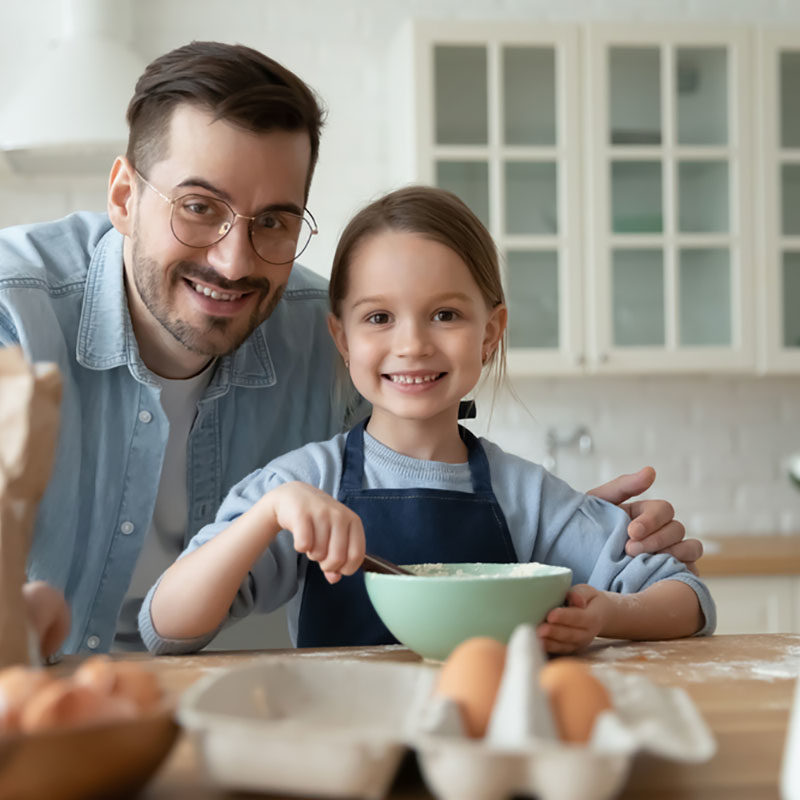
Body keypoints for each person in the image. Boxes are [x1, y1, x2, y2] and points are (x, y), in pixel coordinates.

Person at [0, 42, 698, 655]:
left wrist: (565, 533)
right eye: (198, 206)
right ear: (124, 195)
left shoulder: (311, 325)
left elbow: (420, 460)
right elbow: (172, 620)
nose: (235, 260)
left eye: (272, 220)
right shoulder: (14, 314)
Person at [139, 186, 714, 655]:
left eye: (445, 314)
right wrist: (267, 516)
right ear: (342, 337)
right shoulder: (301, 485)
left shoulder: (527, 496)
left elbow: (687, 598)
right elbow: (165, 627)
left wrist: (609, 611)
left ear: (489, 334)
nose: (411, 345)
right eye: (379, 317)